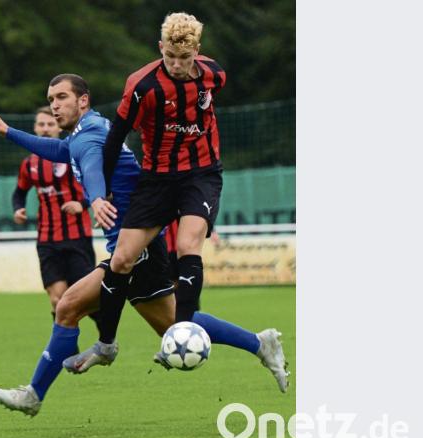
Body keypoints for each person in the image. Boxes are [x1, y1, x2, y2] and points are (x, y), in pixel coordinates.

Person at [93, 12, 288, 388]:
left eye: (185, 59)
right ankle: (106, 343)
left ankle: (178, 335)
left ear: (197, 51)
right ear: (160, 48)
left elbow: (206, 106)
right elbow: (115, 138)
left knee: (187, 246)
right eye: (170, 57)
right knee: (121, 258)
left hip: (201, 175)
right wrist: (104, 190)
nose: (178, 66)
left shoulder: (214, 74)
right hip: (156, 179)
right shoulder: (141, 86)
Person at [0, 74, 178, 416]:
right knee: (175, 327)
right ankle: (258, 343)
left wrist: (97, 197)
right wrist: (8, 132)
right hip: (132, 250)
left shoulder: (88, 137)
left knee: (69, 305)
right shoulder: (89, 130)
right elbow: (61, 150)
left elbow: (90, 165)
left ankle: (44, 387)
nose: (55, 105)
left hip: (137, 250)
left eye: (61, 97)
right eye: (51, 98)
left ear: (83, 100)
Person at [12, 106, 96, 321]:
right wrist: (18, 209)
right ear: (35, 128)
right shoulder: (29, 164)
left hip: (78, 238)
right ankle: (67, 354)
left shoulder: (75, 154)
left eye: (50, 124)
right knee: (57, 300)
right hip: (47, 240)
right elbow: (19, 193)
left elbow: (99, 185)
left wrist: (82, 203)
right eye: (41, 124)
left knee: (90, 301)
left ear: (59, 128)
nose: (46, 129)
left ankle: (106, 341)